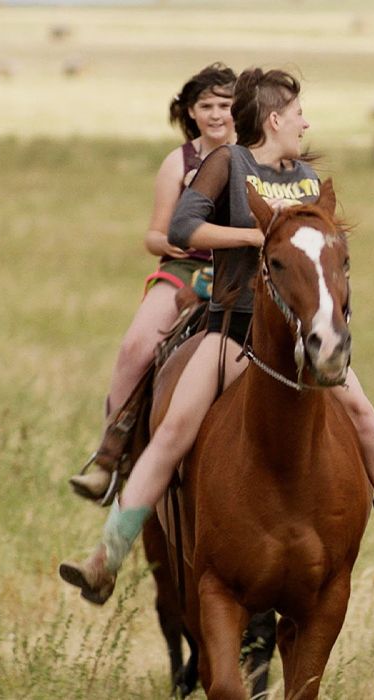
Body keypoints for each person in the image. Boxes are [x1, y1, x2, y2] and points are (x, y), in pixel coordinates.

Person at [60, 68, 374, 604]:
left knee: (365, 416)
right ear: (274, 118)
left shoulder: (307, 178)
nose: (306, 122)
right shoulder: (228, 163)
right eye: (299, 114)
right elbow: (182, 229)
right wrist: (256, 235)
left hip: (299, 338)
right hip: (231, 328)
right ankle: (105, 558)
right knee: (176, 428)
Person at [69, 63, 236, 501]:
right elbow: (153, 234)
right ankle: (111, 457)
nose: (217, 114)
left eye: (225, 104)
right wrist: (172, 241)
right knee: (136, 346)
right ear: (192, 112)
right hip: (185, 271)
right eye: (207, 106)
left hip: (239, 272)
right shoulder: (177, 161)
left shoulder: (253, 156)